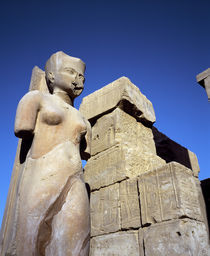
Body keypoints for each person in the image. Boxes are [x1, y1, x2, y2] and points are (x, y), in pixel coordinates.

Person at [14, 51, 91, 256]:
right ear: (51, 76)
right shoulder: (35, 99)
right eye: (70, 72)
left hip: (75, 180)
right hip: (40, 176)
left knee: (77, 243)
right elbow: (22, 128)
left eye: (82, 76)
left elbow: (85, 152)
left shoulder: (84, 120)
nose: (78, 79)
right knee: (31, 240)